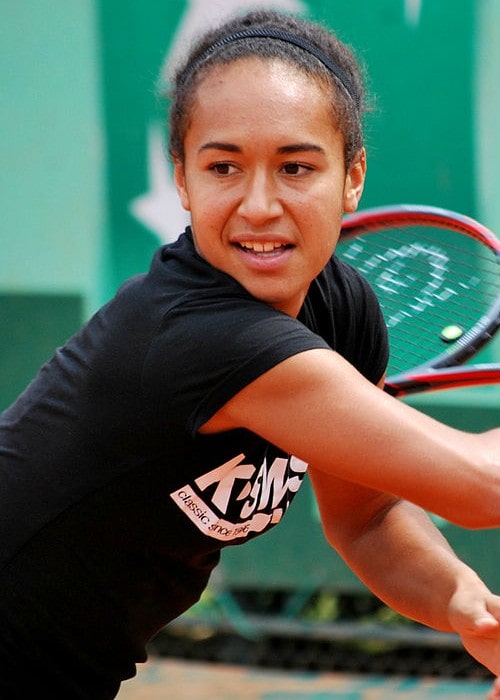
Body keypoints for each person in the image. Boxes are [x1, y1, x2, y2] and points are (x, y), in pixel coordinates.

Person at [1, 8, 499, 699]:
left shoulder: (340, 308)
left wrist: (461, 602)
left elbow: (368, 517)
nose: (259, 204)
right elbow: (484, 487)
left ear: (353, 176)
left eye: (296, 166)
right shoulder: (198, 337)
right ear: (183, 178)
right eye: (224, 167)